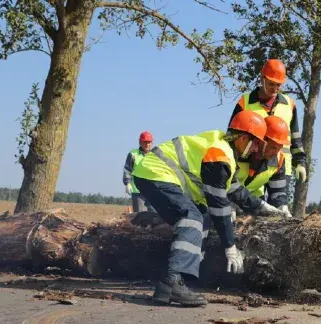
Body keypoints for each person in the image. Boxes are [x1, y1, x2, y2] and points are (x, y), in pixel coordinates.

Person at [131, 110, 288, 307]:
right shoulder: (220, 155)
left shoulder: (226, 153)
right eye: (255, 142)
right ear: (242, 138)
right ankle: (172, 281)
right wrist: (230, 247)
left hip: (156, 174)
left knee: (202, 216)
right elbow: (219, 206)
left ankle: (182, 279)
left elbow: (235, 190)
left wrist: (263, 206)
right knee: (191, 217)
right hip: (156, 173)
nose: (257, 148)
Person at [228, 59, 308, 199]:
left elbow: (295, 137)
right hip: (249, 167)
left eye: (279, 85)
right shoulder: (245, 102)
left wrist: (300, 162)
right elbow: (232, 136)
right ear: (262, 78)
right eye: (271, 84)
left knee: (279, 208)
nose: (275, 88)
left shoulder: (289, 104)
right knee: (252, 209)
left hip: (281, 167)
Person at [233, 115, 293, 220]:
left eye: (279, 148)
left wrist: (282, 206)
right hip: (227, 199)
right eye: (273, 147)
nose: (276, 153)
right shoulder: (240, 152)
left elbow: (278, 191)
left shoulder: (278, 160)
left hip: (252, 203)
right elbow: (227, 186)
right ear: (261, 140)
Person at [123, 131, 155, 213]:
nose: (147, 144)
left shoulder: (155, 155)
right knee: (141, 216)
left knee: (154, 216)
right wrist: (127, 183)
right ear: (140, 142)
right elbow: (127, 169)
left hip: (153, 190)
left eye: (149, 142)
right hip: (138, 191)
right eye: (145, 142)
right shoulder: (133, 154)